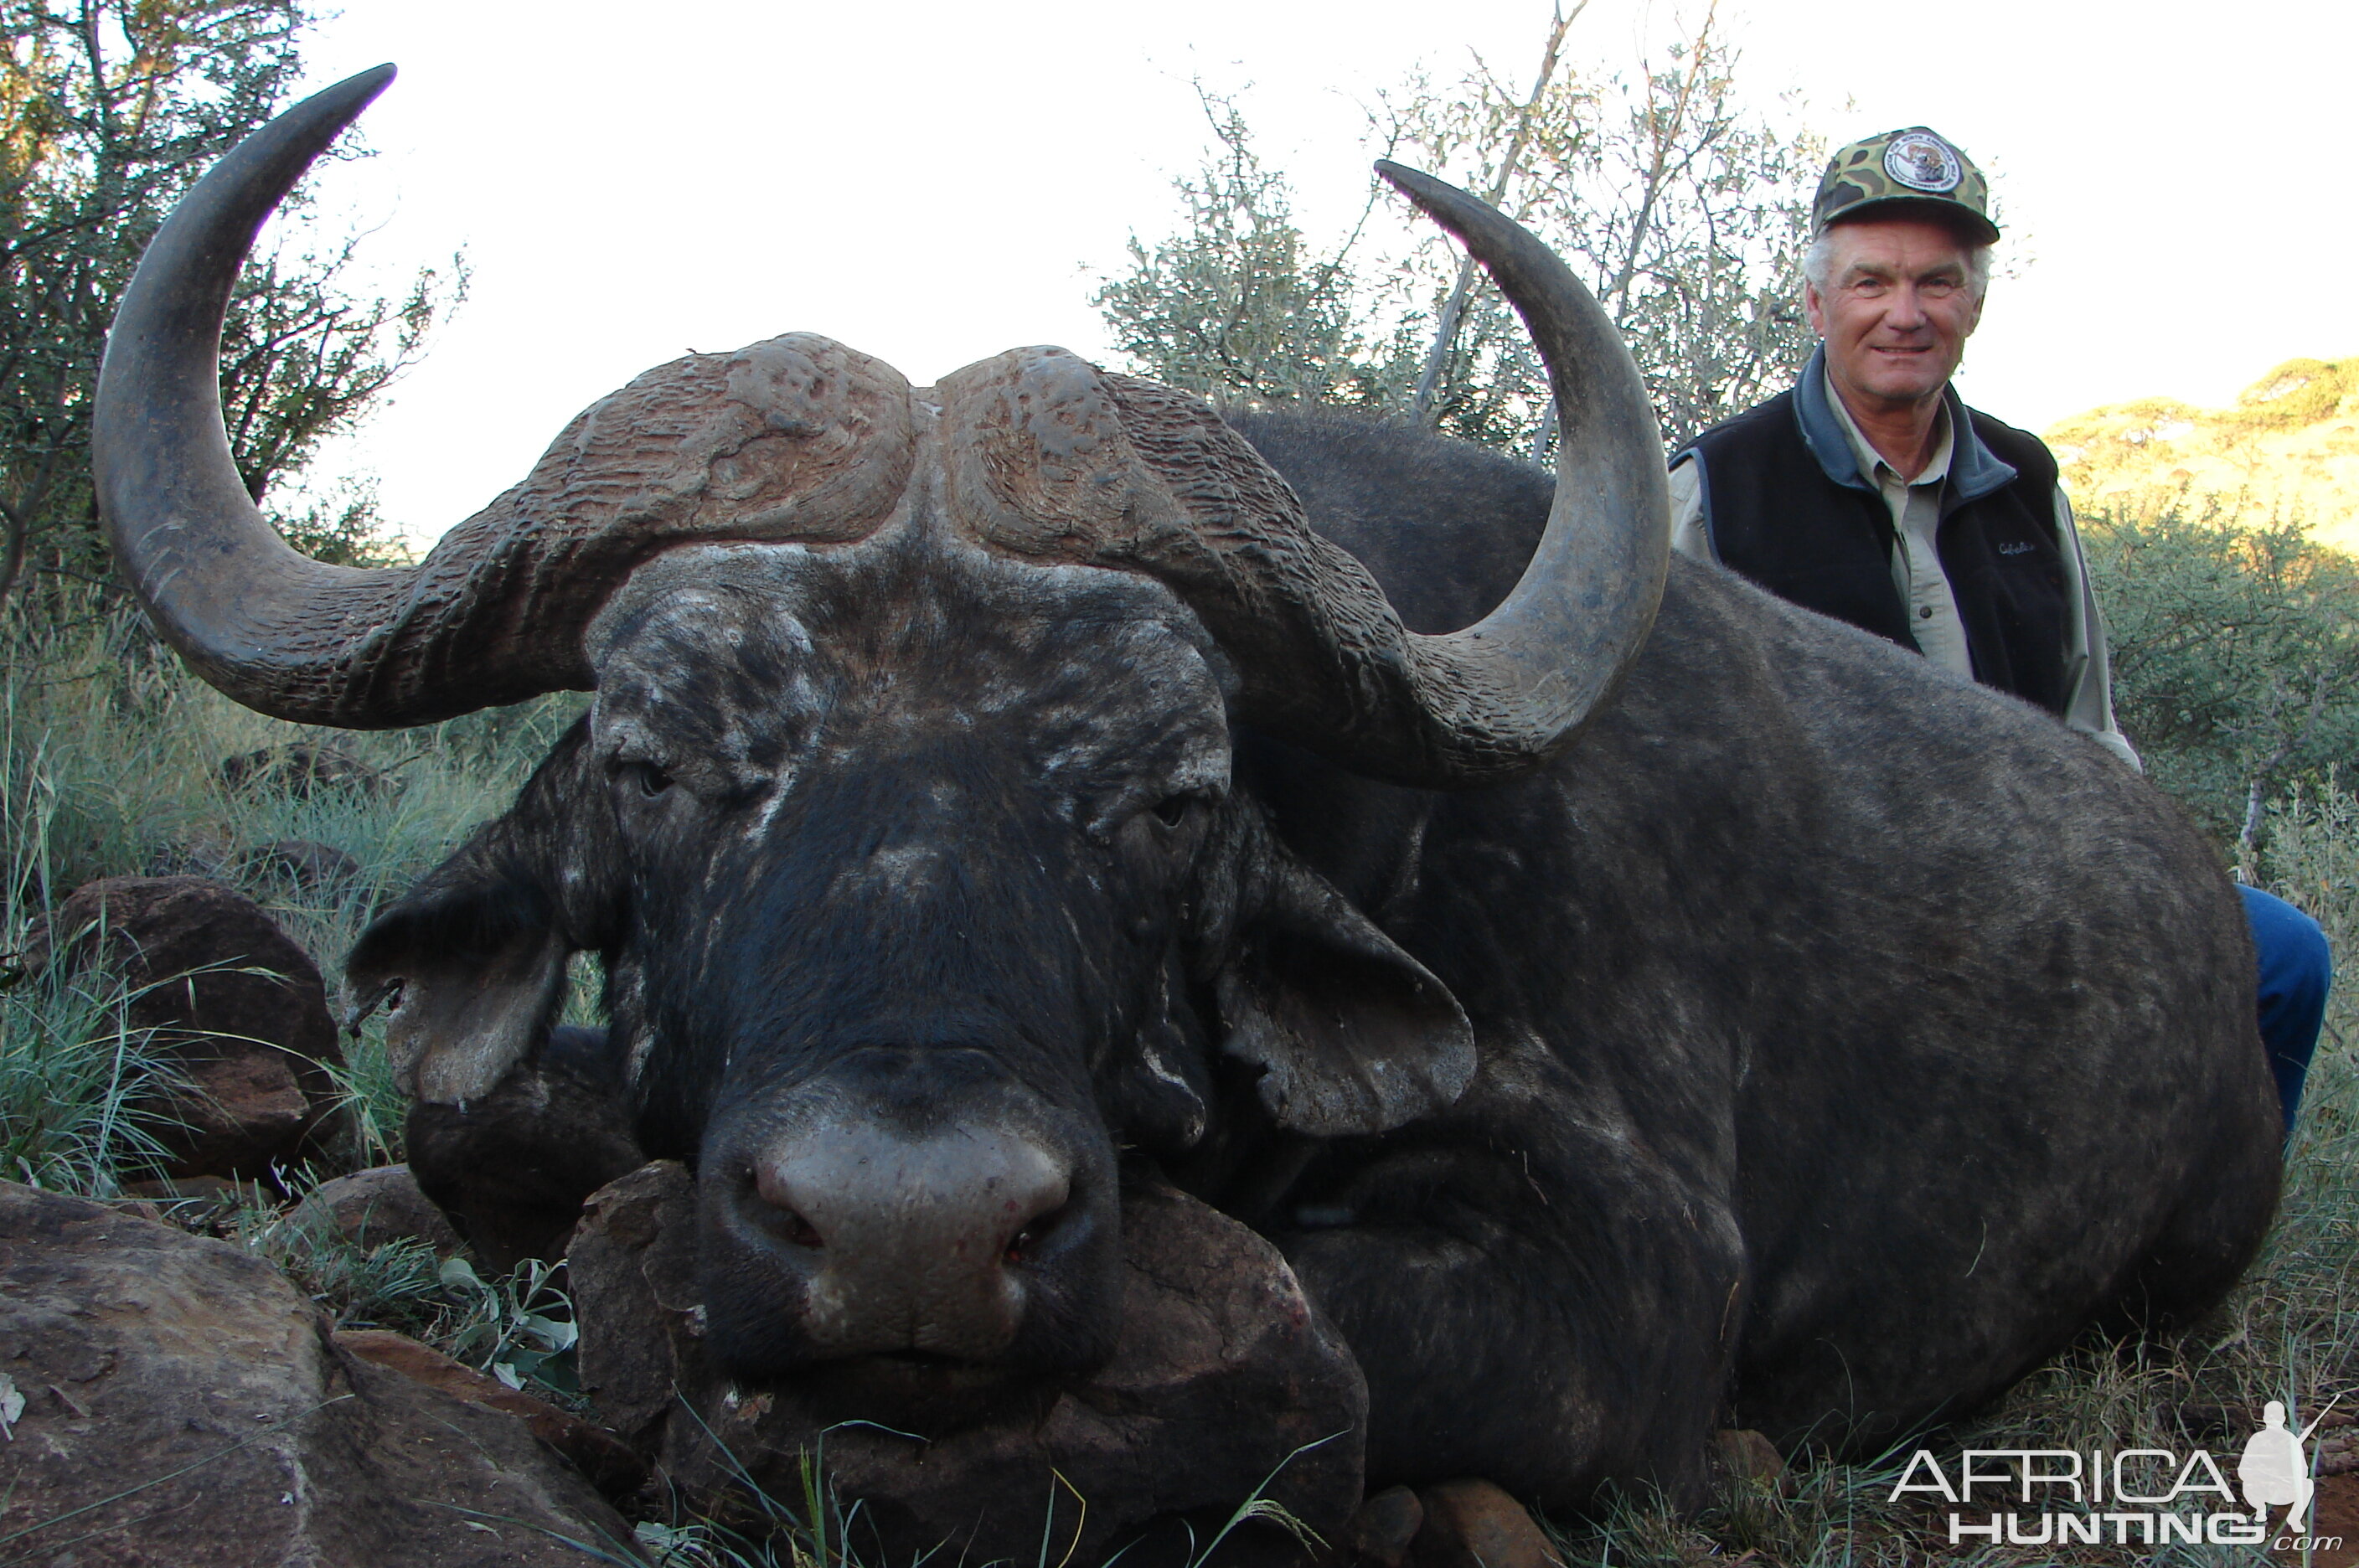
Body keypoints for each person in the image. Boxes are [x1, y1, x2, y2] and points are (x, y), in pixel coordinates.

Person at [1667, 126, 2331, 1133]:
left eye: (1936, 283)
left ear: (1973, 305)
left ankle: (2175, 1269)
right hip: (1815, 915)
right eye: (1870, 282)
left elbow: (2088, 730)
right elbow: (1660, 774)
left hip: (2032, 886)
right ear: (1815, 302)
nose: (1904, 313)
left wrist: (2152, 879)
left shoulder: (2026, 482)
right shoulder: (1712, 488)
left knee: (2279, 960)